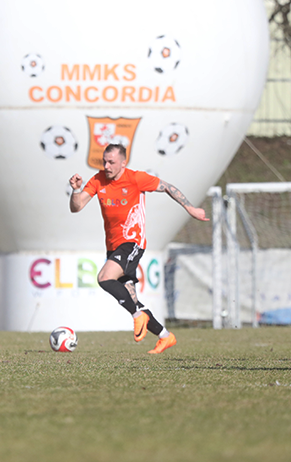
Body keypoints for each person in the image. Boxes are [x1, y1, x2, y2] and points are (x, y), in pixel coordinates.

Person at [69, 143, 209, 354]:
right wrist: (76, 190)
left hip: (132, 243)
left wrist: (189, 207)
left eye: (111, 162)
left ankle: (137, 315)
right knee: (131, 299)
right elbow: (76, 207)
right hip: (113, 246)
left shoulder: (136, 178)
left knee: (105, 278)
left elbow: (168, 187)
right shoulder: (98, 180)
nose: (106, 166)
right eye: (104, 161)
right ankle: (165, 336)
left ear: (123, 163)